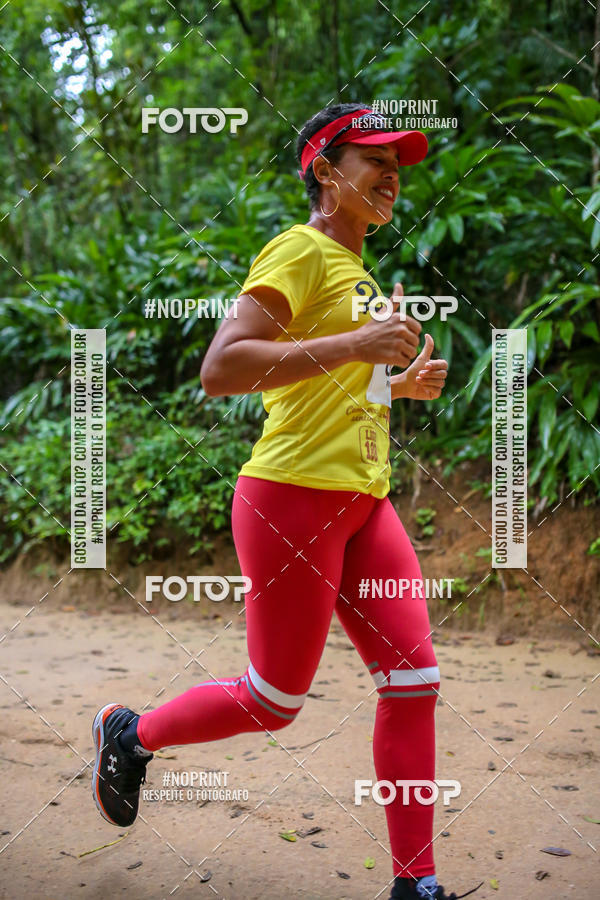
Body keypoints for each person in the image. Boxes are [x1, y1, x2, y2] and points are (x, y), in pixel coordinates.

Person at [92, 103, 483, 900]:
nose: (391, 176)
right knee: (274, 701)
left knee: (414, 683)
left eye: (397, 165)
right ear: (325, 170)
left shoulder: (361, 272)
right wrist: (357, 344)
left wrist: (395, 385)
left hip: (365, 502)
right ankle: (130, 735)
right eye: (373, 159)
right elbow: (224, 367)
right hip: (289, 500)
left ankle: (417, 885)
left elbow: (332, 382)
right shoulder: (298, 250)